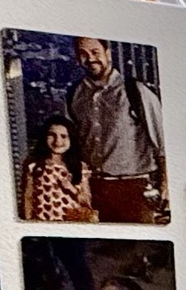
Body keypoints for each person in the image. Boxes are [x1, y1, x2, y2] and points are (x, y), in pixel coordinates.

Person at [64, 36, 164, 224]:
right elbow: (71, 144)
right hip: (95, 189)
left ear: (108, 54)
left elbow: (161, 140)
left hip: (134, 186)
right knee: (101, 251)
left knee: (137, 250)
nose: (90, 58)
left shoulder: (134, 90)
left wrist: (166, 185)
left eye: (95, 52)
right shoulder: (75, 95)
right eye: (83, 54)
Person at [20, 116, 95, 222]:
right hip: (43, 221)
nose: (58, 141)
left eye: (63, 136)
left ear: (71, 139)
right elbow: (28, 197)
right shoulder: (35, 166)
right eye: (52, 135)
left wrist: (71, 188)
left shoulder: (79, 167)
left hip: (71, 221)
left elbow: (86, 200)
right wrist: (29, 221)